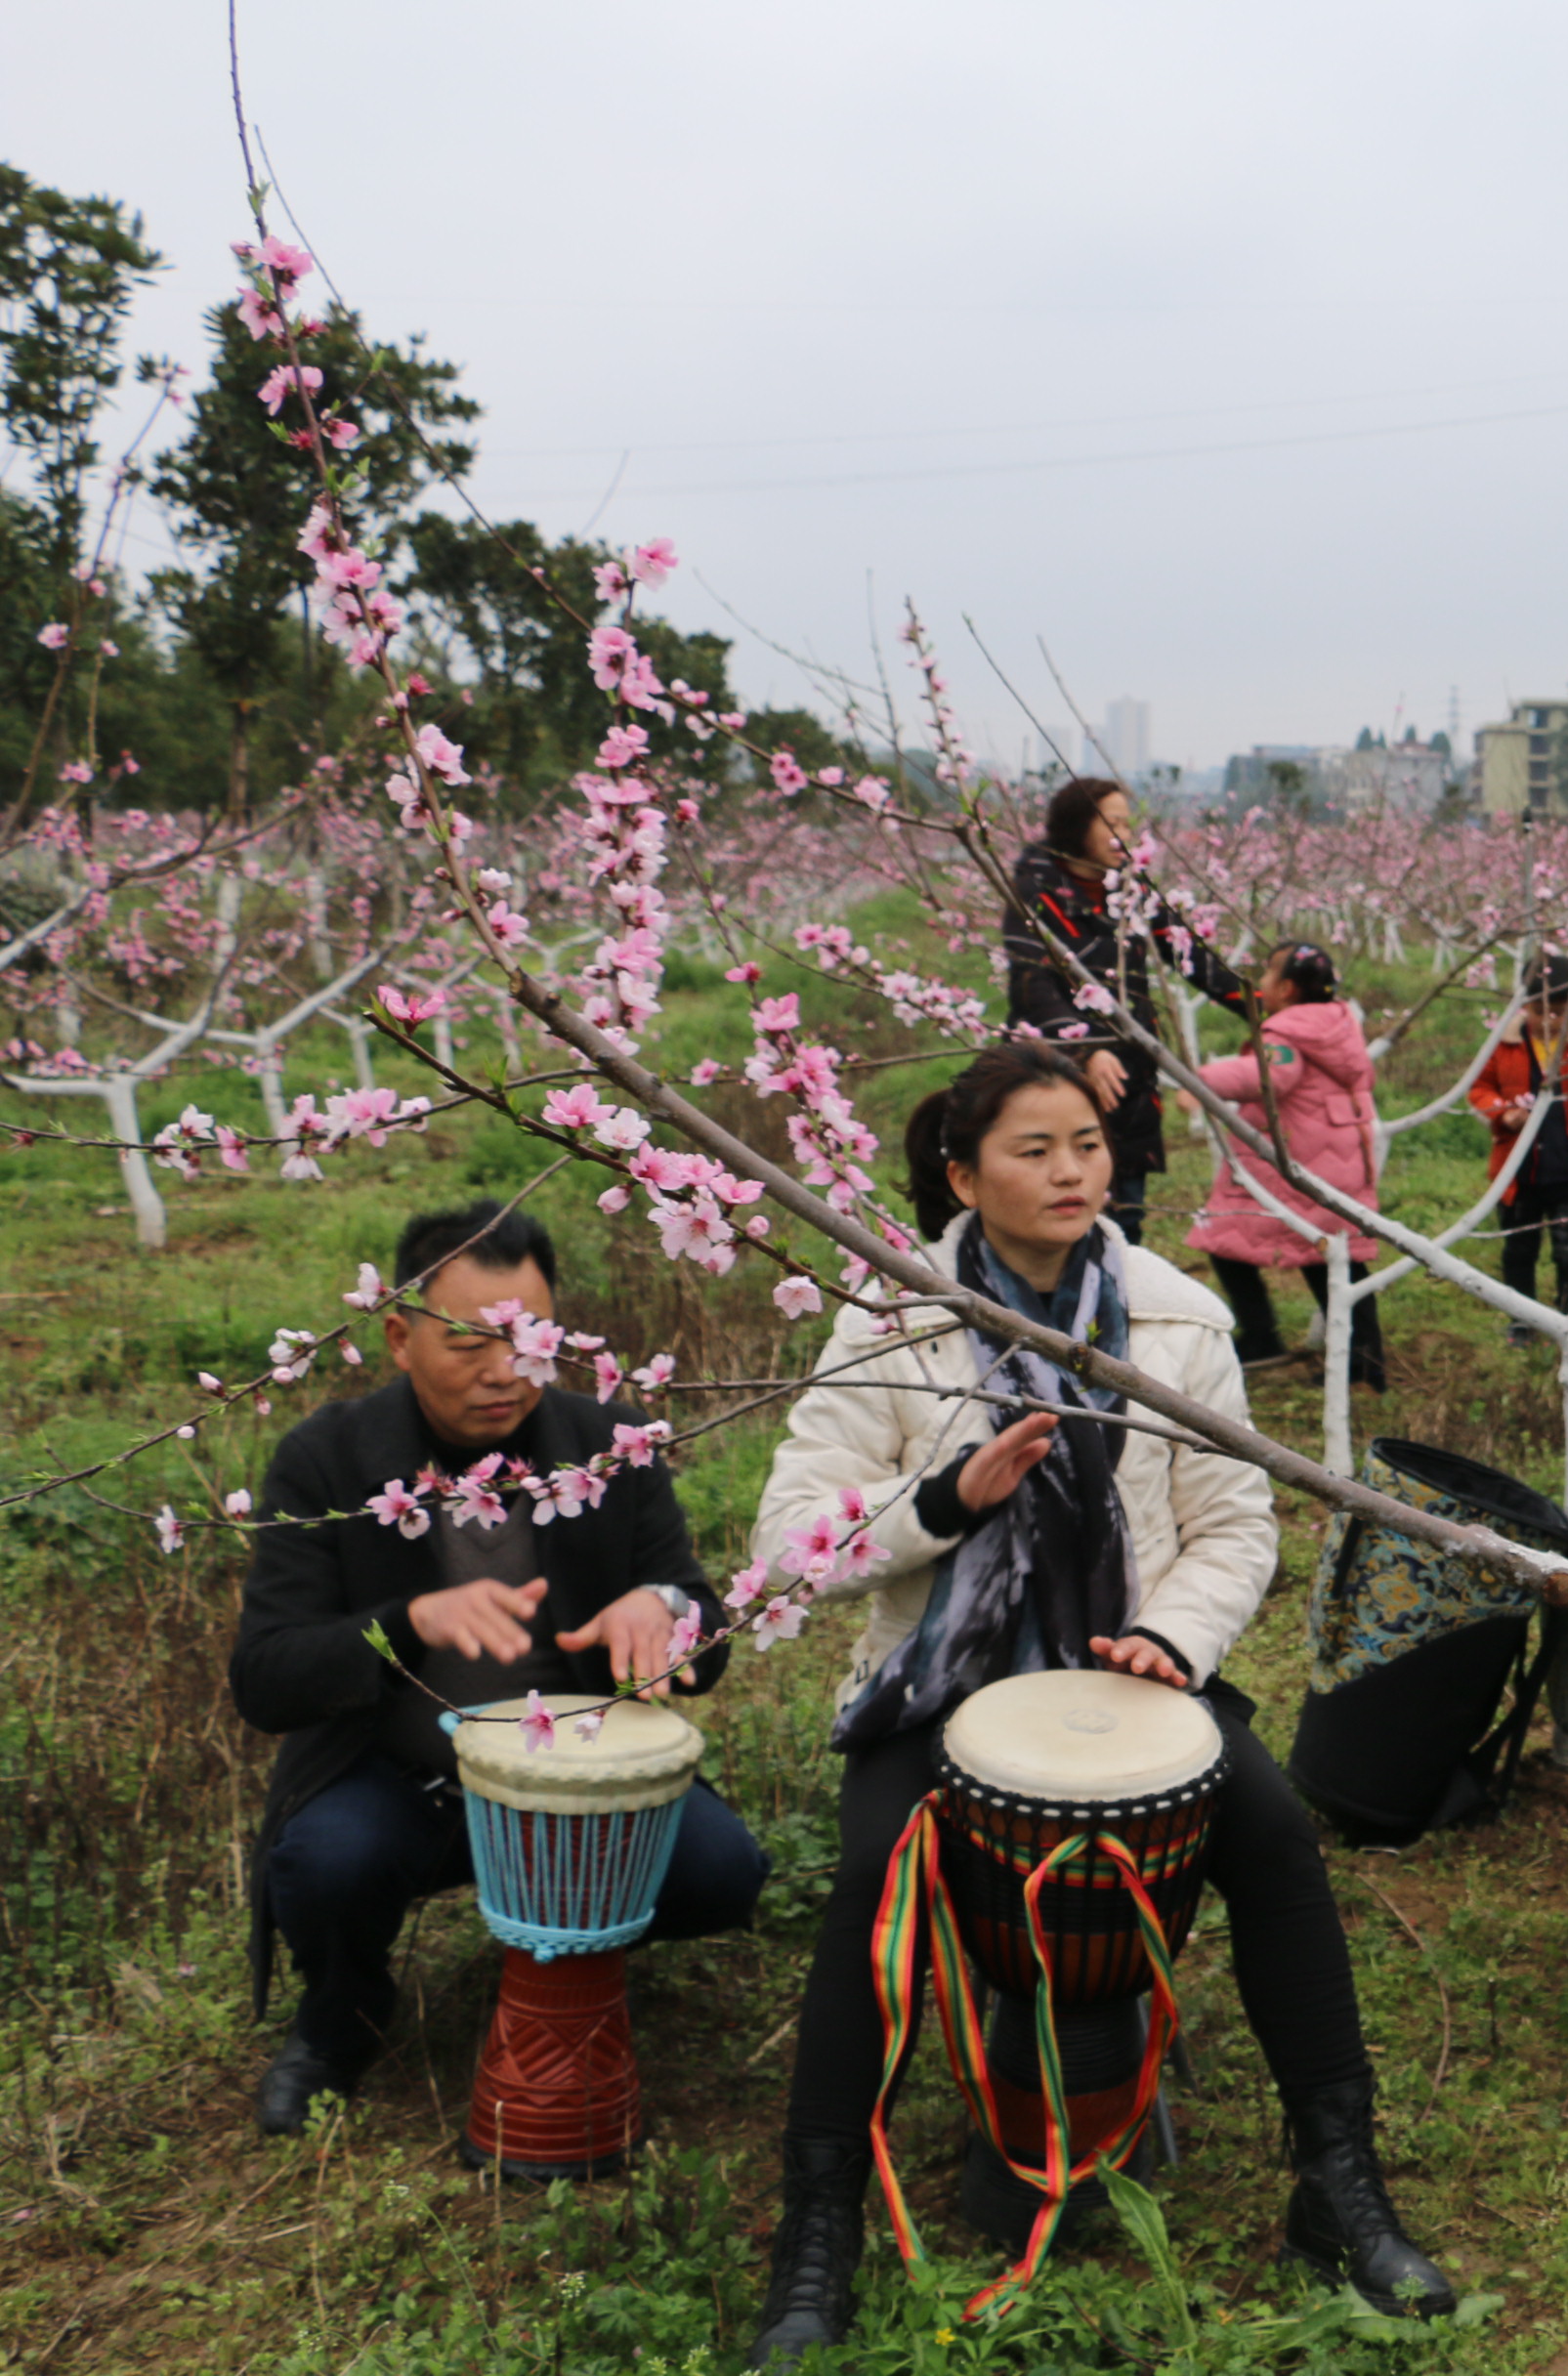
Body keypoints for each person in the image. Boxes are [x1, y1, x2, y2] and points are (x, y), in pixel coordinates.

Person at [744, 1045, 1453, 2365]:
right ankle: (820, 2223)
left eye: (1088, 1143)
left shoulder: (1175, 1318)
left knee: (1281, 1846)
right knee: (867, 1887)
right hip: (941, 1693)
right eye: (1034, 1149)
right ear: (959, 1176)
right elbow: (792, 1539)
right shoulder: (892, 1321)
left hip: (1129, 1680)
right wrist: (946, 1501)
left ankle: (1340, 2186)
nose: (1074, 1171)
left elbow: (1233, 1526)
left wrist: (1166, 1640)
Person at [230, 1200, 765, 2138]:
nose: (503, 1374)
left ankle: (567, 1953)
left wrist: (666, 1609)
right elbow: (266, 1677)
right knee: (325, 1866)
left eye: (528, 1342)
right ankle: (340, 2018)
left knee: (721, 1876)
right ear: (398, 1337)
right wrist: (408, 1621)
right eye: (469, 1344)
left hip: (578, 1779)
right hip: (396, 1776)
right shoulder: (329, 1459)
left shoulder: (610, 1441)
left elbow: (700, 1619)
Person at [1003, 776, 1250, 1244]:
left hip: (1130, 1074)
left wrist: (1262, 1009)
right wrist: (1087, 1049)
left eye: (1126, 822)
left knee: (1125, 1219)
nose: (1123, 833)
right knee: (1057, 1218)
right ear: (1077, 827)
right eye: (1110, 822)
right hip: (1056, 1069)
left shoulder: (1131, 888)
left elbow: (1191, 957)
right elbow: (1032, 984)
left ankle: (1114, 1312)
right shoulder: (1036, 892)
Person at [1184, 941, 1388, 1392]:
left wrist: (1199, 1079)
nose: (1260, 984)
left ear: (1288, 988)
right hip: (1339, 1158)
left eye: (1268, 975)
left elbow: (1270, 1075)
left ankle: (1262, 1338)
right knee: (1337, 1260)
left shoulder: (1286, 1033)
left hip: (1301, 1161)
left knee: (1224, 1240)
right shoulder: (1338, 1023)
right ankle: (1365, 1359)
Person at [1468, 953, 1568, 1341]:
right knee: (1519, 1249)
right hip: (1520, 1170)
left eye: (1558, 1011)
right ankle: (1523, 1317)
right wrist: (1502, 1113)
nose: (1549, 1020)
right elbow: (1479, 1088)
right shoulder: (1505, 1045)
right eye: (1539, 1010)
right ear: (1524, 1006)